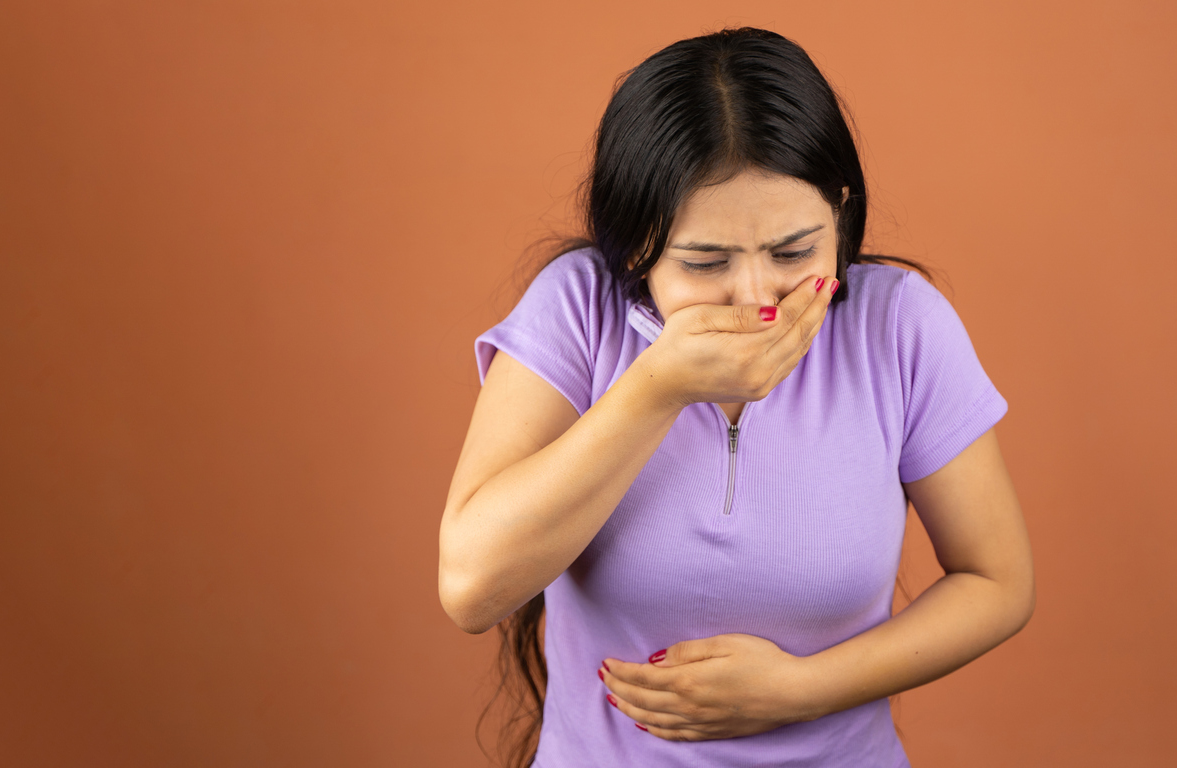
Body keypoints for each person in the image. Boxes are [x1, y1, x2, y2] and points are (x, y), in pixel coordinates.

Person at [437, 26, 1034, 768]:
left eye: (793, 252)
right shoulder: (575, 309)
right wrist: (657, 386)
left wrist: (800, 690)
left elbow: (997, 582)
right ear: (636, 245)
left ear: (840, 216)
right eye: (704, 261)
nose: (757, 298)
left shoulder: (899, 324)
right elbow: (470, 588)